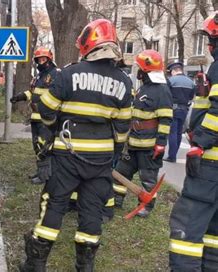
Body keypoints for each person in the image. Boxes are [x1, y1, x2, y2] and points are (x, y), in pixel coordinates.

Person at [20, 19, 132, 271]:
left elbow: (46, 111)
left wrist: (49, 137)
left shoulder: (67, 74)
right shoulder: (124, 82)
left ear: (87, 43)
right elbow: (123, 127)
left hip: (67, 157)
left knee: (54, 205)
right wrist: (111, 154)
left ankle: (35, 264)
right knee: (92, 212)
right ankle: (85, 266)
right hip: (101, 161)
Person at [169, 12, 218, 270]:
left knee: (185, 227)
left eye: (212, 39)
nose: (209, 46)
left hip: (211, 164)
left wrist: (200, 142)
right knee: (214, 231)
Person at [113, 50, 172, 218]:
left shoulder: (162, 90)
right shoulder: (144, 88)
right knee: (121, 172)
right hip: (133, 143)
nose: (137, 70)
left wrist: (161, 143)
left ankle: (146, 206)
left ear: (146, 69)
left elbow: (166, 120)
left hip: (149, 146)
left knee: (148, 179)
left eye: (139, 67)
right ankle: (117, 199)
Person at [10, 47, 60, 184]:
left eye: (44, 59)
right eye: (39, 60)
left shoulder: (56, 74)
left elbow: (56, 95)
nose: (41, 62)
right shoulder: (39, 76)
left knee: (44, 147)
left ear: (49, 59)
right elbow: (33, 93)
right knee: (37, 146)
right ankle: (40, 172)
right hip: (35, 118)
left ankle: (44, 176)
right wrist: (20, 97)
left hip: (47, 119)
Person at [163, 61, 195, 163]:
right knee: (178, 133)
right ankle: (174, 154)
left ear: (173, 71)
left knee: (172, 132)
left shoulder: (170, 81)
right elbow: (191, 97)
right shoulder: (190, 82)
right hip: (184, 110)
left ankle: (172, 156)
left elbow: (166, 95)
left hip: (173, 109)